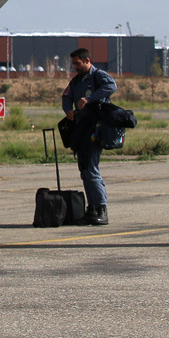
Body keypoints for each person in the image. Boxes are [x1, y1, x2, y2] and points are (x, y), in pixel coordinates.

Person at [61, 47, 116, 225]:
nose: (75, 67)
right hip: (81, 129)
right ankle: (92, 209)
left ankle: (101, 208)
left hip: (95, 129)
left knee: (91, 169)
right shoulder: (77, 81)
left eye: (78, 63)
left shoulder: (98, 76)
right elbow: (66, 96)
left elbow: (111, 86)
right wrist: (68, 110)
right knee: (85, 170)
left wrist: (90, 99)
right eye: (73, 64)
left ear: (87, 61)